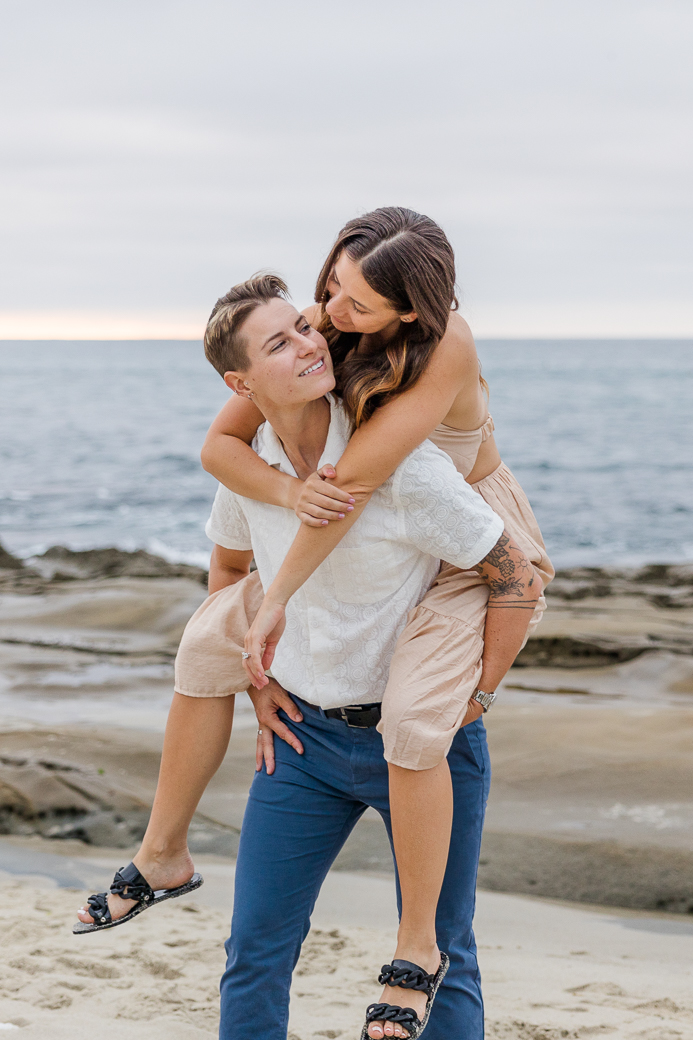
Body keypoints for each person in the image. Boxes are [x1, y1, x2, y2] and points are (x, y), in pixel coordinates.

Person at [77, 272, 542, 1040]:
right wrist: (257, 686)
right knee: (255, 948)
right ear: (240, 382)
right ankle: (163, 852)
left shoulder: (399, 465)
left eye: (303, 327)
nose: (307, 342)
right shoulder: (251, 462)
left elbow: (515, 577)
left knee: (443, 954)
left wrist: (479, 696)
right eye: (278, 342)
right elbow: (229, 575)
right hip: (302, 747)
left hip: (422, 749)